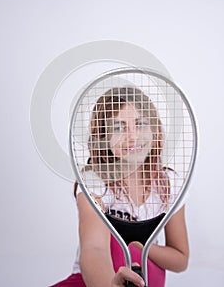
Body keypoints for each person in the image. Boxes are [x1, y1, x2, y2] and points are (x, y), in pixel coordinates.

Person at [50, 86, 189, 287]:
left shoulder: (168, 184)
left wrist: (140, 246)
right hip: (95, 280)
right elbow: (94, 249)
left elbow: (180, 259)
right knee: (114, 235)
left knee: (125, 244)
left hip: (144, 276)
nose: (133, 136)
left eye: (140, 124)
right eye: (118, 127)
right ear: (103, 137)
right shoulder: (95, 183)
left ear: (154, 129)